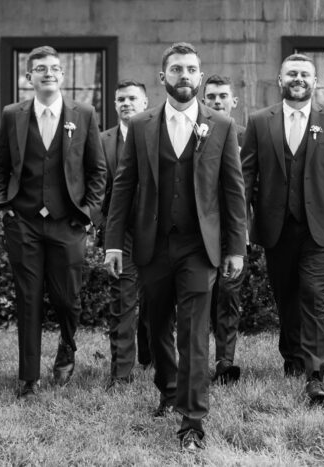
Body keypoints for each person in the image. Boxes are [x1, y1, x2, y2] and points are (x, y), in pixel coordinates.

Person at [104, 42, 247, 452]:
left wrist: (235, 247)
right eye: (177, 69)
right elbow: (124, 187)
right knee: (155, 323)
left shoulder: (220, 125)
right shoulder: (143, 124)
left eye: (191, 69)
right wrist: (114, 243)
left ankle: (192, 419)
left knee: (194, 333)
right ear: (162, 76)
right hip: (152, 244)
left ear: (200, 78)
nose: (184, 75)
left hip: (199, 247)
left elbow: (233, 192)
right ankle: (168, 388)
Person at [241, 53, 324, 407]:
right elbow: (246, 176)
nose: (299, 78)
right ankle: (291, 357)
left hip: (320, 226)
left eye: (305, 74)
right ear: (280, 80)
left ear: (315, 81)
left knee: (312, 294)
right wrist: (240, 224)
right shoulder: (260, 121)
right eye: (292, 73)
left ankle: (316, 372)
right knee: (286, 296)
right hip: (275, 227)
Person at [0, 46, 107, 398]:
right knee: (27, 297)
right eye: (40, 68)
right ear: (29, 78)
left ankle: (67, 347)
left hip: (67, 222)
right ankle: (28, 375)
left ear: (62, 76)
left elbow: (97, 171)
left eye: (55, 68)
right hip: (24, 221)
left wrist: (88, 214)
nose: (49, 73)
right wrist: (2, 207)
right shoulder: (13, 114)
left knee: (66, 298)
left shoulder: (83, 113)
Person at [101, 79, 152, 390]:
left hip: (156, 230)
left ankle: (152, 357)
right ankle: (120, 373)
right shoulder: (101, 140)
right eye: (120, 99)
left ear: (145, 103)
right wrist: (102, 225)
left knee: (156, 300)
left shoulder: (157, 135)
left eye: (133, 98)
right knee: (122, 299)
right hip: (121, 233)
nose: (126, 103)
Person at [202, 74, 246, 385]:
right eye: (212, 96)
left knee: (229, 297)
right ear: (204, 100)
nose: (217, 101)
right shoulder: (196, 133)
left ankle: (224, 361)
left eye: (223, 96)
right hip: (202, 231)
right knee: (201, 299)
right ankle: (194, 358)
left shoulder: (246, 135)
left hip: (234, 230)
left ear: (233, 101)